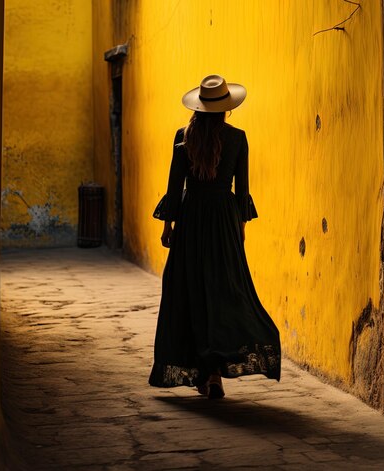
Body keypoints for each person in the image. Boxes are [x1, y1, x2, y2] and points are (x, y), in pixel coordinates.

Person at [148, 75, 281, 399]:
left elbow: (174, 186)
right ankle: (214, 373)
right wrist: (240, 229)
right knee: (224, 291)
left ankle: (205, 372)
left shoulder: (184, 136)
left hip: (192, 220)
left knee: (190, 290)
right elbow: (243, 190)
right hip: (224, 221)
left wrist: (168, 226)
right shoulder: (238, 138)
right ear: (226, 109)